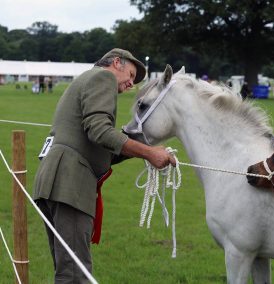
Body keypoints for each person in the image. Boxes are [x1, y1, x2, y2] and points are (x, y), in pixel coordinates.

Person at [33, 48, 176, 283]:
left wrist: (138, 147)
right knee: (75, 275)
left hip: (55, 181)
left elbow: (98, 148)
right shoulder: (103, 77)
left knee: (68, 269)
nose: (131, 83)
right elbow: (99, 131)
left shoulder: (84, 80)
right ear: (116, 63)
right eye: (130, 75)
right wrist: (149, 153)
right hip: (69, 184)